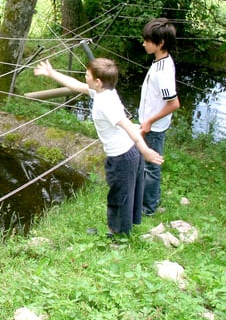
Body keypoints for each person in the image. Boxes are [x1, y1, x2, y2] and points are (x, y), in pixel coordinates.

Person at [34, 57, 163, 236]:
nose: (85, 77)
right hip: (128, 152)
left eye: (87, 75)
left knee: (118, 196)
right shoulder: (104, 92)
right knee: (127, 192)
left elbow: (128, 126)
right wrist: (52, 73)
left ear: (98, 81)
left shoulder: (105, 104)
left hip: (122, 156)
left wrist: (146, 150)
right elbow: (75, 85)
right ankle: (124, 229)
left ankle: (118, 235)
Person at [139, 18, 180, 216]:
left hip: (154, 127)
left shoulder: (163, 72)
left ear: (160, 43)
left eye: (147, 40)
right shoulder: (160, 62)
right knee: (147, 165)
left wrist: (148, 121)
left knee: (151, 167)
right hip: (150, 123)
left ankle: (148, 208)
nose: (144, 43)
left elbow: (174, 104)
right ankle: (149, 200)